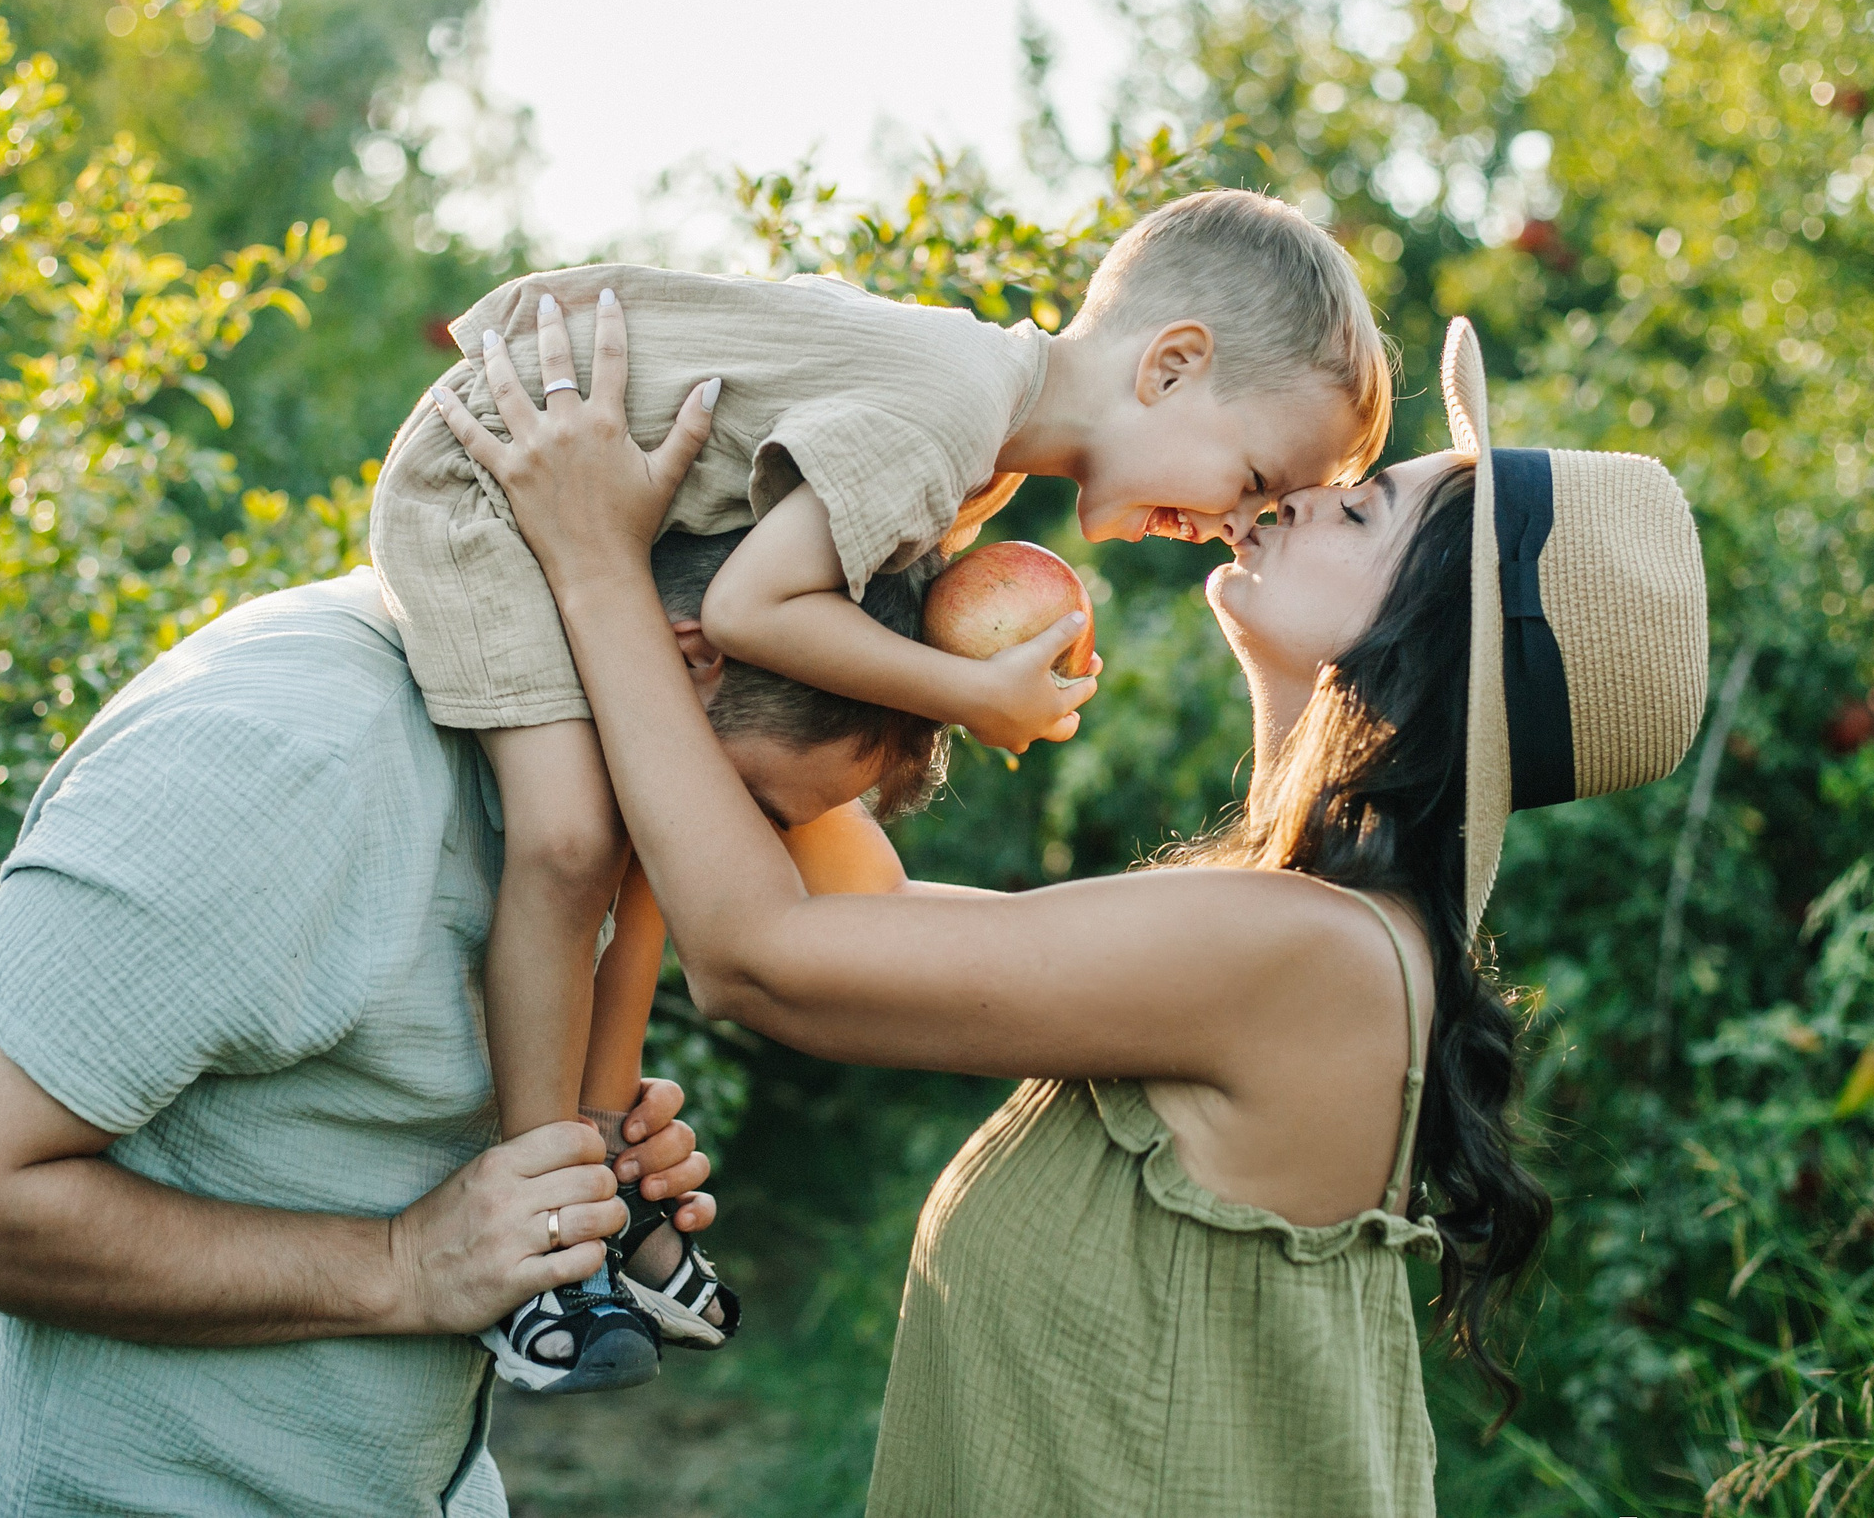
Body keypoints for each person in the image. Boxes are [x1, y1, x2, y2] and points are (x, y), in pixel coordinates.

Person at [442, 312, 1712, 1516]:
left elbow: (766, 958)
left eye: (1367, 505)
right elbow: (860, 904)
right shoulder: (1309, 929)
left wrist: (600, 568)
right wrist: (855, 596)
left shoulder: (1308, 954)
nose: (1307, 493)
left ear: (1427, 636)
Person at [380, 189, 1396, 1388]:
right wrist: (968, 697)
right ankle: (539, 1230)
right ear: (1172, 366)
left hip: (596, 512)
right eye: (1253, 477)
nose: (1234, 524)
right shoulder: (951, 413)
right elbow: (757, 608)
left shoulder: (982, 463)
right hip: (494, 478)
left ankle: (598, 1175)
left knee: (650, 844)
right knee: (568, 839)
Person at [0, 540, 940, 1518]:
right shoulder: (284, 758)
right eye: (751, 810)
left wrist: (572, 1160)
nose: (737, 866)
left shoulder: (594, 761)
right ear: (688, 657)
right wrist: (402, 1264)